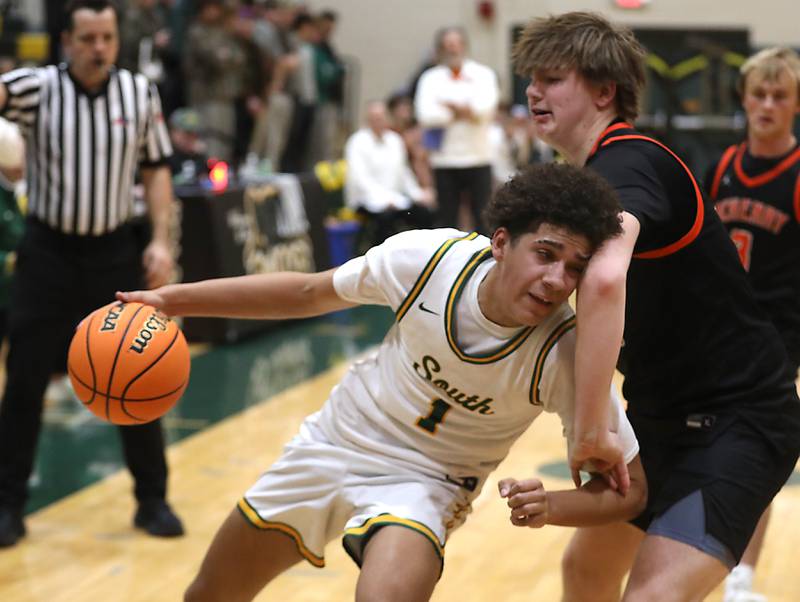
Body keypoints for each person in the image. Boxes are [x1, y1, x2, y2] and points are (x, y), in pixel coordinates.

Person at [117, 162, 647, 602]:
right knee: (208, 595)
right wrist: (173, 299)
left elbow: (632, 490)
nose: (558, 280)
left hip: (428, 484)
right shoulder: (428, 259)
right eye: (546, 254)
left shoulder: (567, 353)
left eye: (576, 268)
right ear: (501, 243)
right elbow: (306, 292)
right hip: (335, 441)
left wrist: (554, 505)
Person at [513, 12, 800, 602]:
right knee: (585, 571)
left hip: (739, 420)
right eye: (530, 78)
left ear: (602, 90)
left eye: (551, 78)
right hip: (663, 417)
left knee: (652, 597)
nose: (533, 91)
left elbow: (605, 279)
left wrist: (591, 425)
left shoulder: (630, 159)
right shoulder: (592, 174)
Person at [0, 0, 183, 547]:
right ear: (67, 41)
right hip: (48, 253)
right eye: (87, 39)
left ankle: (152, 500)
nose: (99, 48)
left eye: (106, 37)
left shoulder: (138, 91)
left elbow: (156, 171)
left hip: (113, 253)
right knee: (25, 380)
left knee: (139, 371)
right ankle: (7, 504)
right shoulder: (36, 87)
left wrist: (160, 239)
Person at [705, 47, 800, 602]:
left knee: (758, 456)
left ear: (794, 106)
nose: (766, 104)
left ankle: (741, 574)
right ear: (743, 99)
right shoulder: (719, 167)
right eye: (758, 94)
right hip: (715, 334)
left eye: (779, 96)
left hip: (774, 341)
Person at [414, 27, 498, 232]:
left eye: (456, 44)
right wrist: (465, 111)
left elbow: (485, 110)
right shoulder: (430, 78)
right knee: (446, 220)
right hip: (444, 159)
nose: (452, 49)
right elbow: (426, 116)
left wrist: (450, 107)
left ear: (464, 46)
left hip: (478, 157)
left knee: (483, 217)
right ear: (441, 49)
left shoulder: (483, 74)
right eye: (447, 45)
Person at [344, 99, 435, 245]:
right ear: (368, 120)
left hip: (396, 200)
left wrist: (418, 194)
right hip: (367, 201)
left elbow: (404, 173)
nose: (378, 122)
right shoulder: (357, 142)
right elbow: (360, 179)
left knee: (424, 214)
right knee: (385, 219)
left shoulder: (394, 140)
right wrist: (384, 199)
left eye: (381, 118)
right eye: (375, 118)